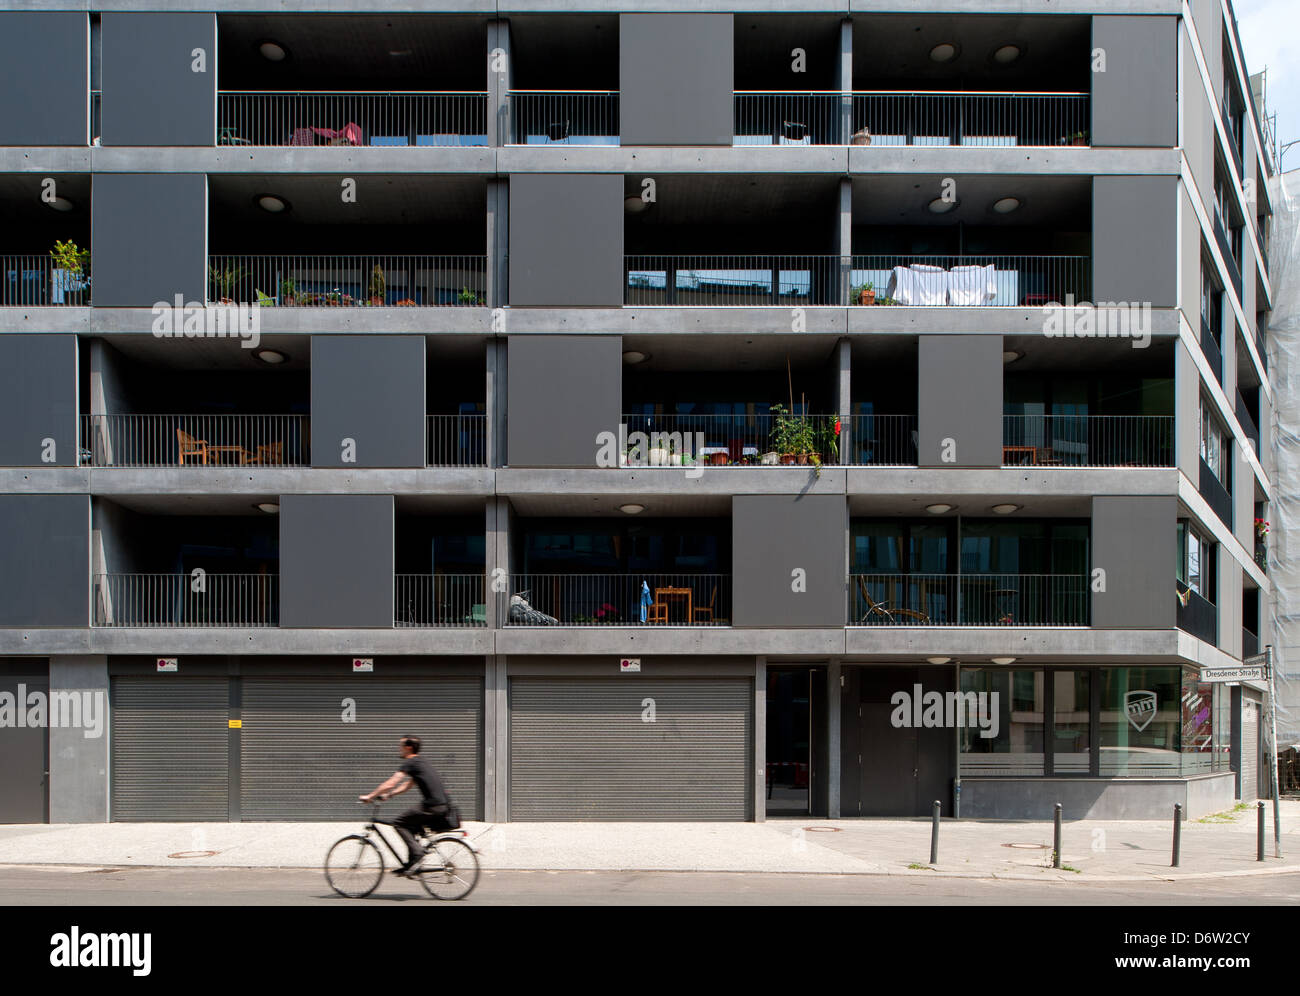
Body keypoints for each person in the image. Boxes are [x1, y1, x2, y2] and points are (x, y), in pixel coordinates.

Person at [360, 736, 457, 875]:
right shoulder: (421, 761)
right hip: (441, 805)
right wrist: (390, 795)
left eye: (400, 746)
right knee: (410, 825)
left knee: (399, 823)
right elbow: (408, 784)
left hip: (432, 806)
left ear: (408, 747)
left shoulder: (411, 762)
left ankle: (417, 854)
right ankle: (411, 864)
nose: (399, 749)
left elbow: (391, 782)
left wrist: (370, 796)